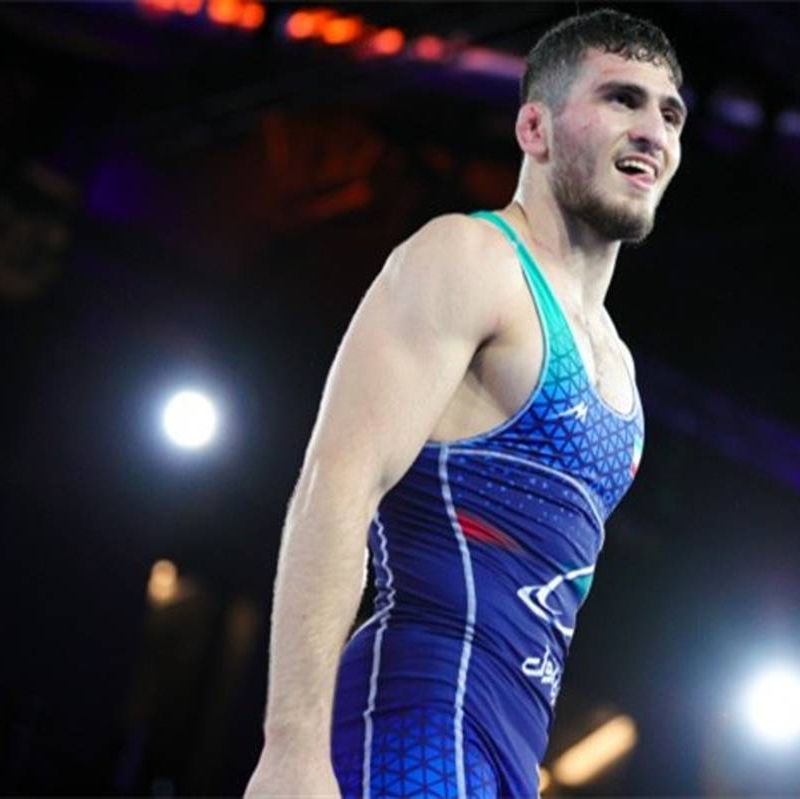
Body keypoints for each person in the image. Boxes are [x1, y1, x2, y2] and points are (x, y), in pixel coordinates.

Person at [245, 8, 685, 798]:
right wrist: (291, 748)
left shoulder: (619, 370)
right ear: (534, 128)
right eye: (622, 99)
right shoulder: (471, 257)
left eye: (671, 113)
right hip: (415, 723)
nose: (654, 130)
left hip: (506, 754)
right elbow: (336, 483)